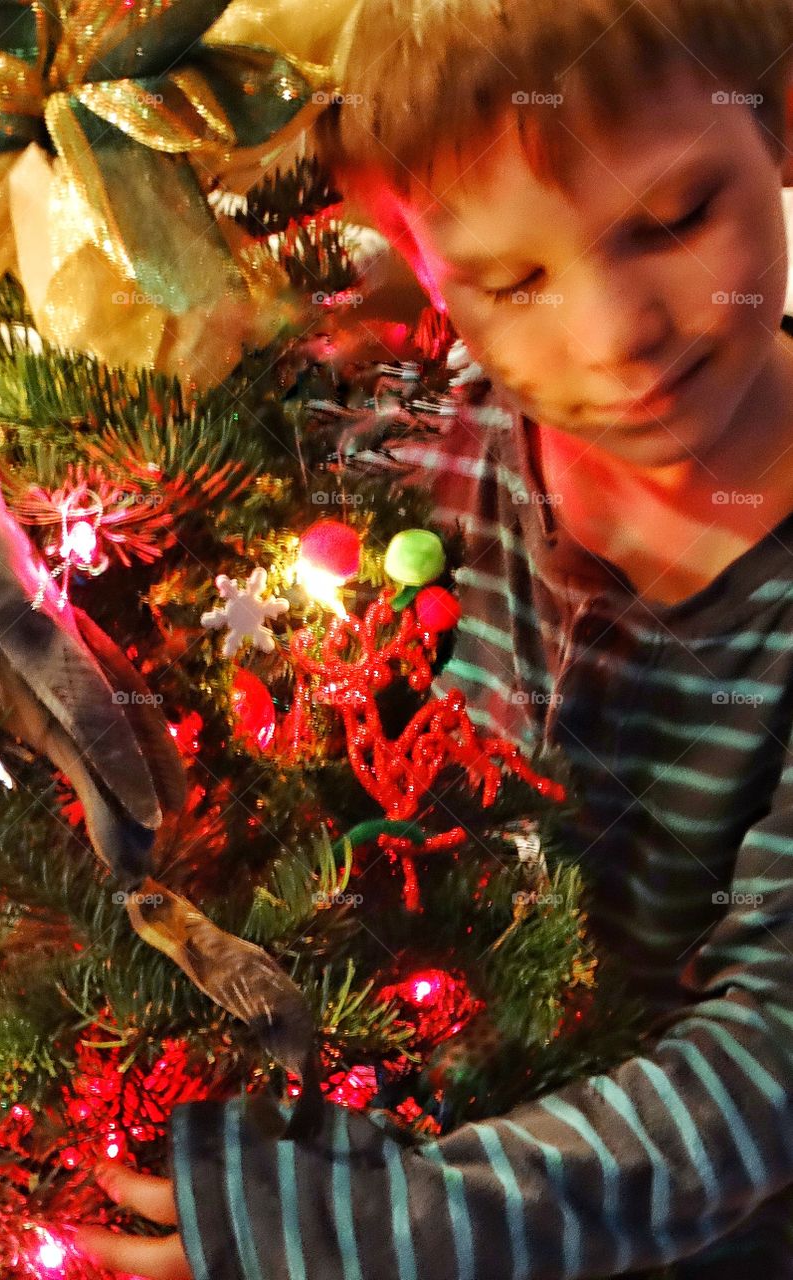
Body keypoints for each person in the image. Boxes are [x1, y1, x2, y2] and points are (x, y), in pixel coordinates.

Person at [75, 0, 793, 1275]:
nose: (616, 333)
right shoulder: (420, 445)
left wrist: (377, 1227)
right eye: (513, 282)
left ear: (779, 125)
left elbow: (770, 1054)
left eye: (675, 220)